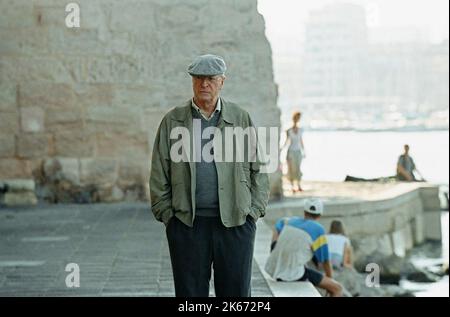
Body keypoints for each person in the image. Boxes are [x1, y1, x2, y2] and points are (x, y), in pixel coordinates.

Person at [149, 54, 270, 297]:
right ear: (192, 81)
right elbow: (158, 171)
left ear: (222, 82)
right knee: (191, 295)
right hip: (187, 225)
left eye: (211, 79)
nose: (205, 84)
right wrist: (168, 216)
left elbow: (259, 169)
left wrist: (253, 213)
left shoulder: (240, 117)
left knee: (236, 295)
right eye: (199, 79)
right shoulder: (173, 120)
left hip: (236, 223)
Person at [265, 199, 343, 297]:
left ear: (304, 212)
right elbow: (325, 261)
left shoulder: (288, 221)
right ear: (319, 215)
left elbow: (277, 228)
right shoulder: (318, 229)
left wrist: (273, 247)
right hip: (293, 273)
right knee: (337, 288)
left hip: (273, 268)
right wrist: (330, 279)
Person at [281, 112, 305, 193]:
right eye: (297, 117)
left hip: (298, 151)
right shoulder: (289, 130)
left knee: (298, 168)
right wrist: (281, 149)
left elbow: (301, 141)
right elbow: (287, 141)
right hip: (290, 151)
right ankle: (292, 186)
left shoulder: (301, 130)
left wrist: (304, 151)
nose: (298, 119)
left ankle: (298, 185)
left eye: (299, 118)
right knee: (291, 169)